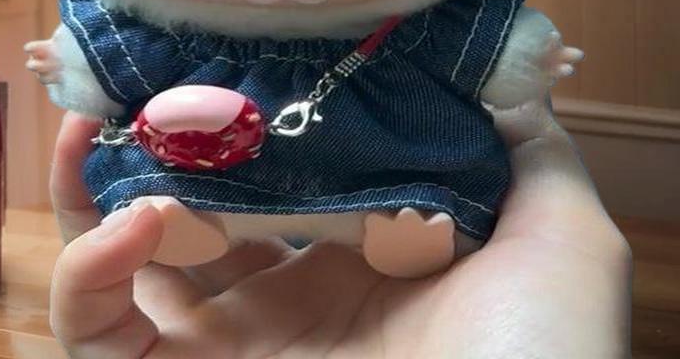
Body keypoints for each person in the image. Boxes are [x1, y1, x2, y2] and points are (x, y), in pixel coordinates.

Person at [49, 97, 632, 358]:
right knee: (166, 197)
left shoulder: (424, 36)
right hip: (218, 177)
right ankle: (182, 218)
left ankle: (416, 227)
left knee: (418, 197)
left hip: (395, 186)